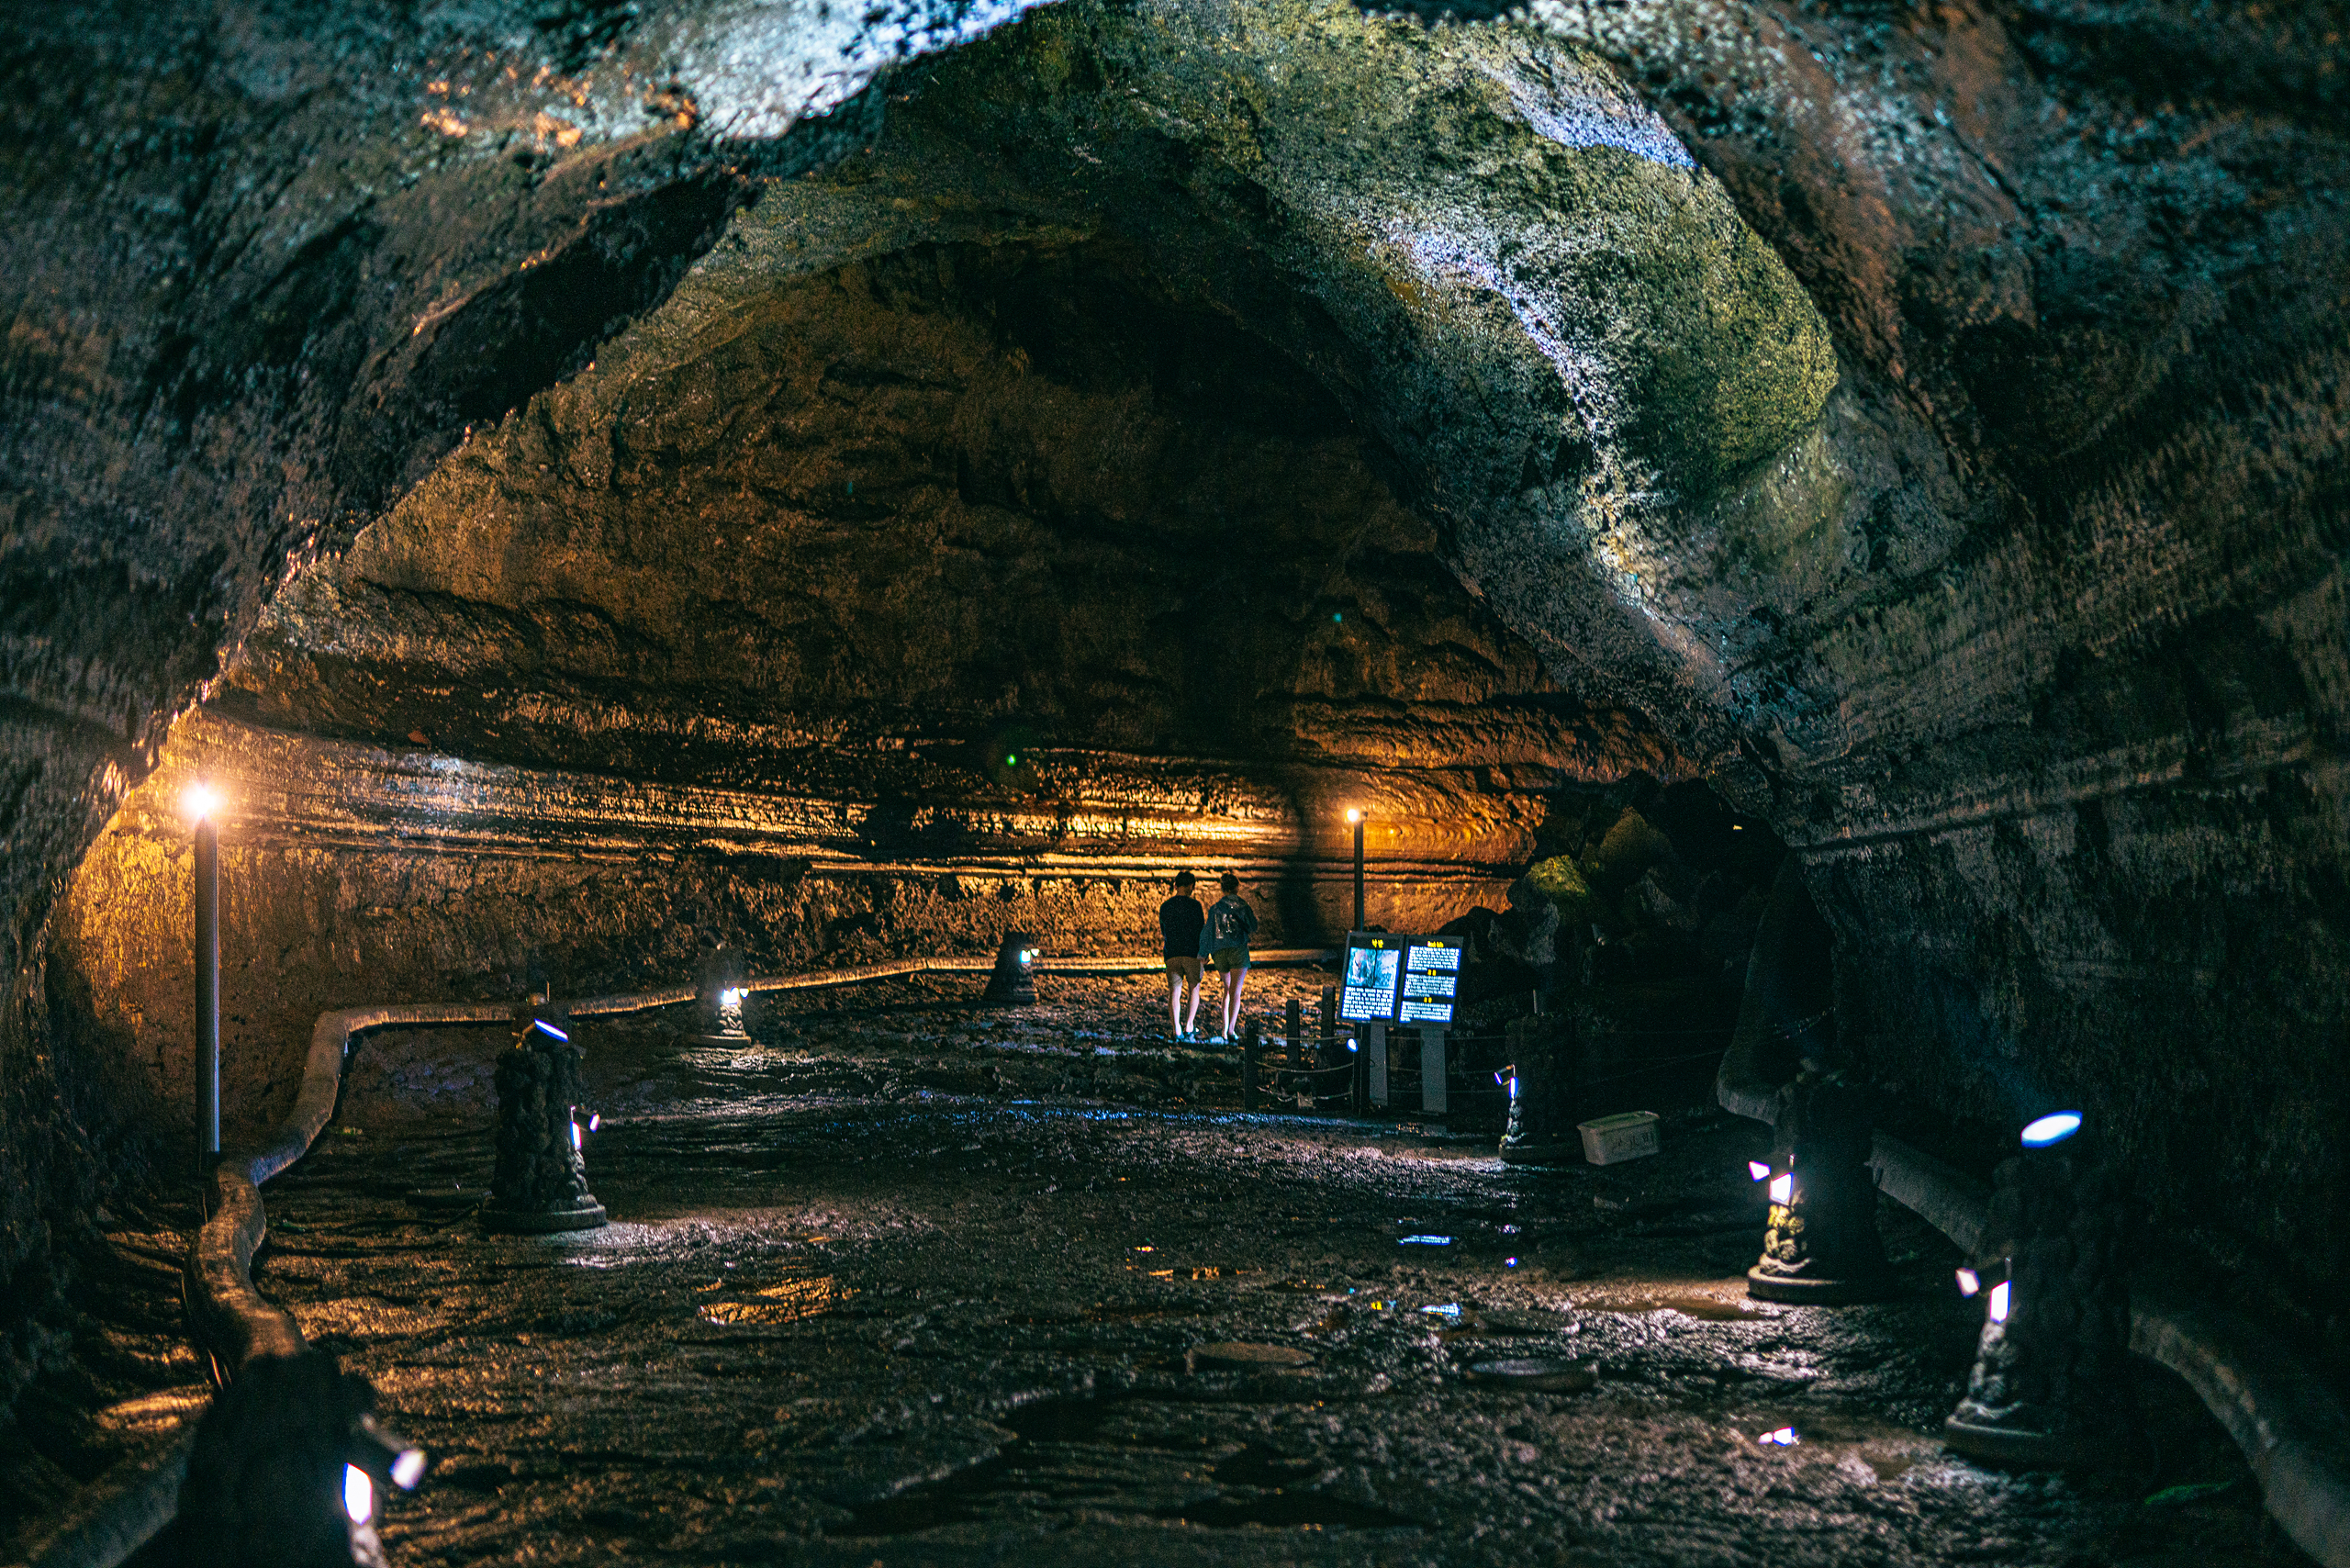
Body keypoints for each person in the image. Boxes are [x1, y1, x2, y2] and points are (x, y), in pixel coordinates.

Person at [1202, 871, 1259, 1043]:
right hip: (1237, 950)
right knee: (1235, 991)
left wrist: (1203, 953)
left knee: (1226, 989)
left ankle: (1223, 1029)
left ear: (1222, 888)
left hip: (1219, 952)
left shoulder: (1215, 908)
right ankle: (1231, 1030)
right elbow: (1253, 926)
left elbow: (1208, 931)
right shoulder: (1243, 906)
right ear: (1237, 888)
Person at [1158, 871, 1205, 1041]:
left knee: (1174, 992)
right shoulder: (1196, 906)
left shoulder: (1165, 906)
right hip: (1192, 953)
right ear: (1191, 886)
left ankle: (1176, 1029)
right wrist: (1204, 951)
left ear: (1175, 885)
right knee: (1194, 989)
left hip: (1172, 953)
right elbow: (1201, 930)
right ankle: (1189, 1026)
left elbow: (1164, 930)